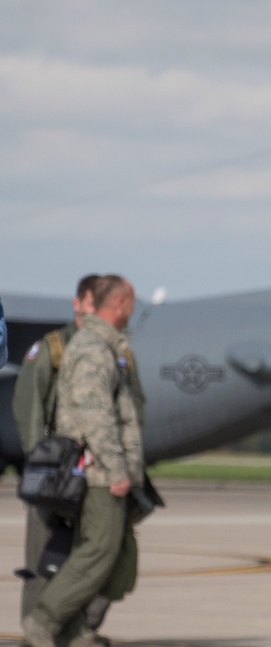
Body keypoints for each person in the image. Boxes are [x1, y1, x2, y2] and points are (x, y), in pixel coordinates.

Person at [22, 275, 145, 647]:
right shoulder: (93, 348)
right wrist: (118, 469)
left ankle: (73, 630)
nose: (133, 310)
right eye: (131, 302)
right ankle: (43, 622)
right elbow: (96, 417)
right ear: (119, 303)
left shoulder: (103, 345)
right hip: (99, 473)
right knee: (99, 551)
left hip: (102, 470)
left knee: (108, 554)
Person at [13, 275, 101, 630]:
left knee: (95, 554)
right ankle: (36, 626)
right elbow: (28, 408)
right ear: (78, 304)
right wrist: (42, 466)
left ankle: (79, 626)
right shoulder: (52, 349)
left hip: (94, 471)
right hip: (56, 472)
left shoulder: (108, 350)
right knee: (44, 555)